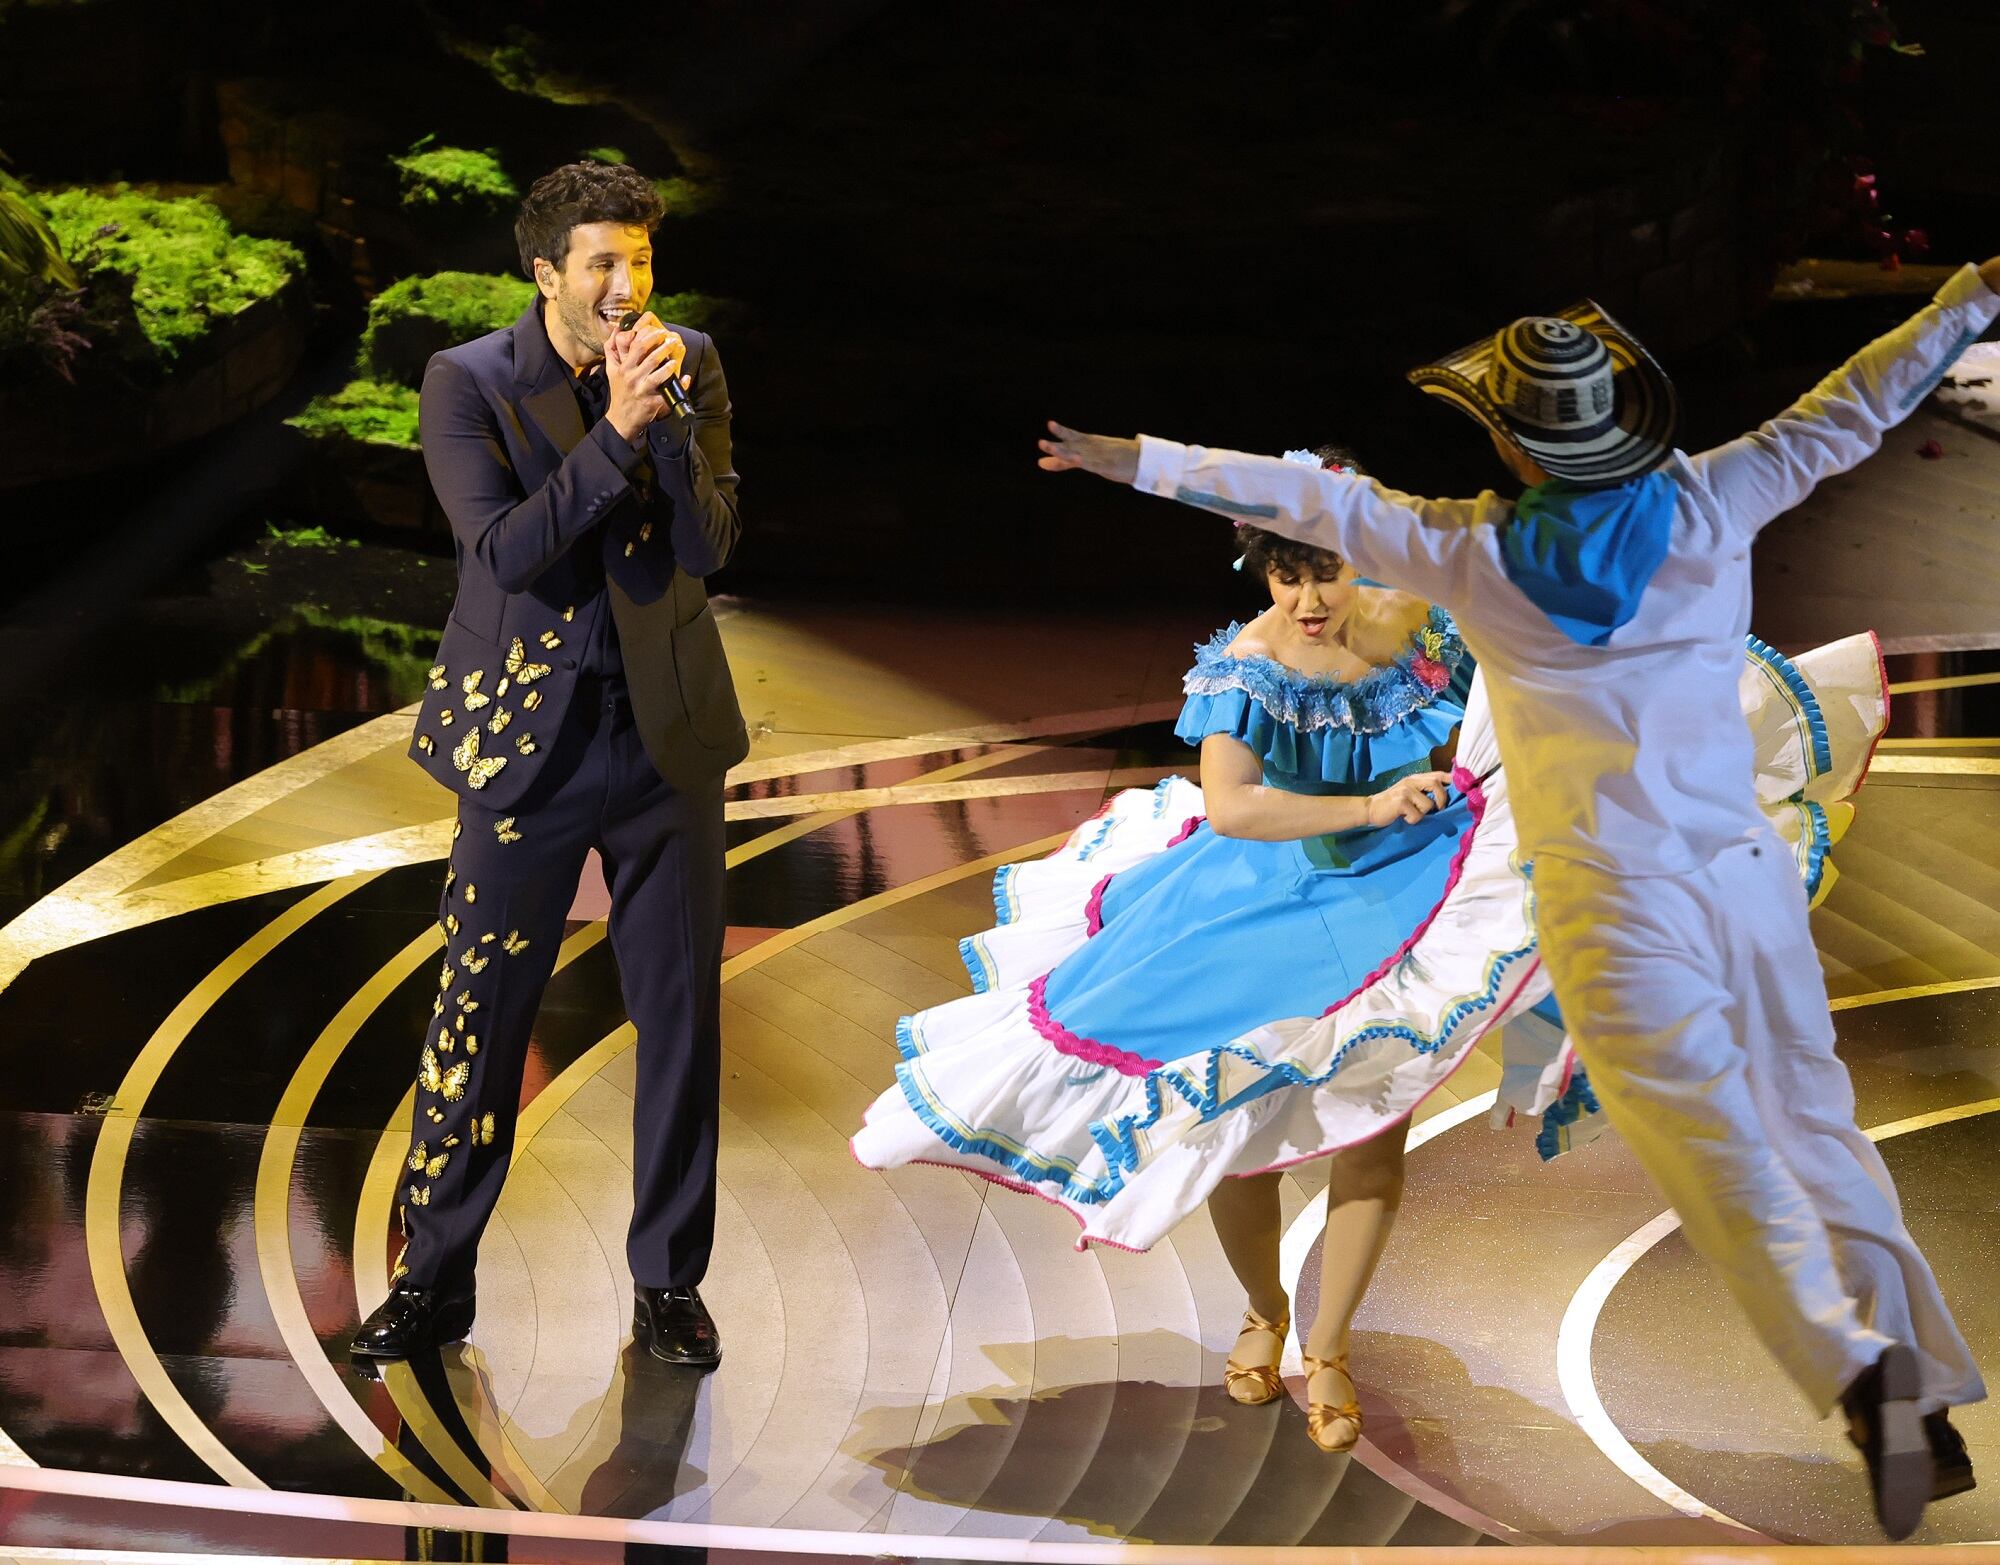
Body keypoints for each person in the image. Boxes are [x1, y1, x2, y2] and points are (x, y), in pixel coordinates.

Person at [1034, 255, 2000, 1534]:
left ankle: (1863, 1376)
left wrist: (1127, 455)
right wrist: (1967, 298)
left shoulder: (1473, 548)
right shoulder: (1715, 494)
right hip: (1738, 877)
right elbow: (1855, 402)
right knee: (1811, 1123)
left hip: (1617, 908)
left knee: (1718, 1158)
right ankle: (1910, 1381)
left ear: (1512, 438)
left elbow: (1307, 494)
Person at [853, 450, 1890, 1457]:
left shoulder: (1411, 624)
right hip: (1258, 894)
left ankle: (1330, 1343)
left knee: (1372, 1133)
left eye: (1327, 566)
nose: (1308, 596)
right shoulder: (1244, 667)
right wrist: (1367, 799)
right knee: (1232, 1124)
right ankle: (1262, 1310)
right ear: (1259, 565)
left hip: (1403, 881)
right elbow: (1232, 804)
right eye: (1286, 570)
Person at [350, 161, 748, 1371]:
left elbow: (710, 544)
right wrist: (615, 431)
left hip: (665, 732)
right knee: (479, 1006)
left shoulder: (691, 364)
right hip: (526, 740)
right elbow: (507, 551)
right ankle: (434, 1277)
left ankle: (668, 1282)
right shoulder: (469, 382)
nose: (629, 289)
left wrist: (664, 429)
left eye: (640, 261)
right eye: (603, 266)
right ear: (546, 275)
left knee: (681, 1016)